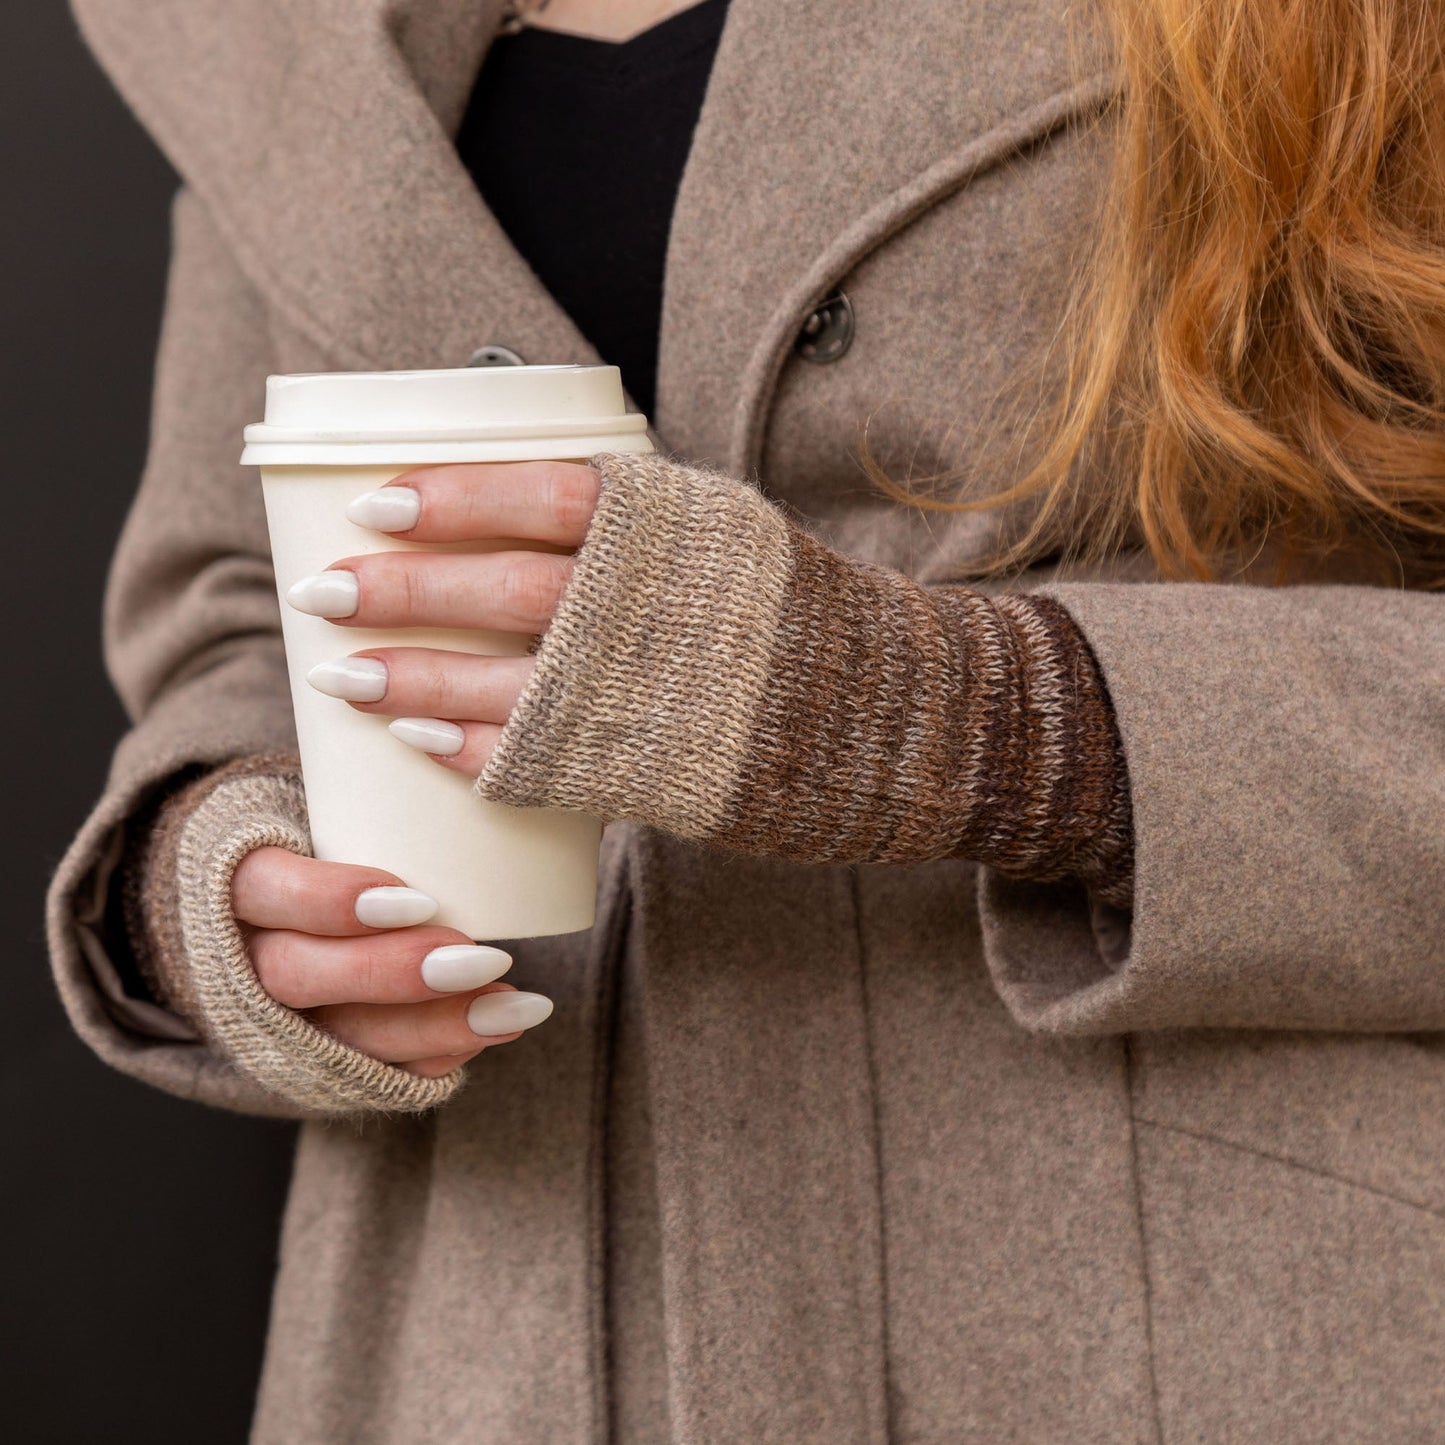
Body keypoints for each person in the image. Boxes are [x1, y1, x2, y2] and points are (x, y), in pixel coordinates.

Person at [47, 0, 1445, 1440]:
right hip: (478, 1341)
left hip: (1203, 1332)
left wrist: (950, 720)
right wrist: (226, 881)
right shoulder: (283, 34)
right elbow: (232, 606)